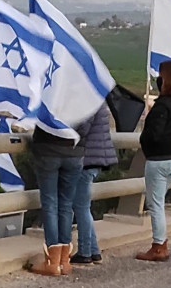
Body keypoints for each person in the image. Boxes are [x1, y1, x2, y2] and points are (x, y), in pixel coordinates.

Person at [136, 60, 171, 261]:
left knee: (155, 204)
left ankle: (159, 246)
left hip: (159, 160)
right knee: (160, 201)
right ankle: (161, 242)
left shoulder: (161, 107)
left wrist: (144, 140)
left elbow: (153, 135)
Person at [27, 125, 85, 277]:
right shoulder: (84, 100)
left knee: (50, 202)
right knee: (66, 204)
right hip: (74, 152)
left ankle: (52, 262)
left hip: (48, 150)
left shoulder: (50, 99)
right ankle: (64, 262)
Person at [71, 101, 118, 266]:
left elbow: (82, 129)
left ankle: (85, 252)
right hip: (96, 158)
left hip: (87, 158)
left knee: (81, 207)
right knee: (83, 206)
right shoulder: (97, 97)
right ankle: (93, 250)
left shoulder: (88, 100)